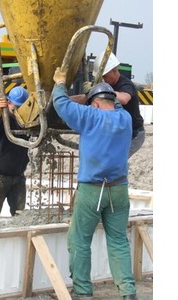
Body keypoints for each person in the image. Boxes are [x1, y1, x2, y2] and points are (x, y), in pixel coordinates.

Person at [52, 67, 138, 300]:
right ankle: (128, 292)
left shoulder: (90, 116)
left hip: (92, 190)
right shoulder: (125, 118)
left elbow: (62, 104)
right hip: (119, 189)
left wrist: (59, 83)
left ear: (95, 104)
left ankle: (83, 292)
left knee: (79, 240)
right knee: (118, 240)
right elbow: (116, 104)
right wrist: (102, 91)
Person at [71, 52, 145, 158]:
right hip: (118, 133)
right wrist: (65, 100)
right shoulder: (107, 86)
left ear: (114, 71)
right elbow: (85, 98)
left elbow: (124, 99)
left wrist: (103, 90)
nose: (103, 79)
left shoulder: (125, 84)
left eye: (105, 76)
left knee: (115, 161)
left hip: (133, 134)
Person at [0, 86, 30, 217]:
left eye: (22, 106)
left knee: (19, 215)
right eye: (16, 106)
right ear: (9, 103)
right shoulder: (5, 118)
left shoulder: (26, 121)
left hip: (18, 175)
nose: (19, 110)